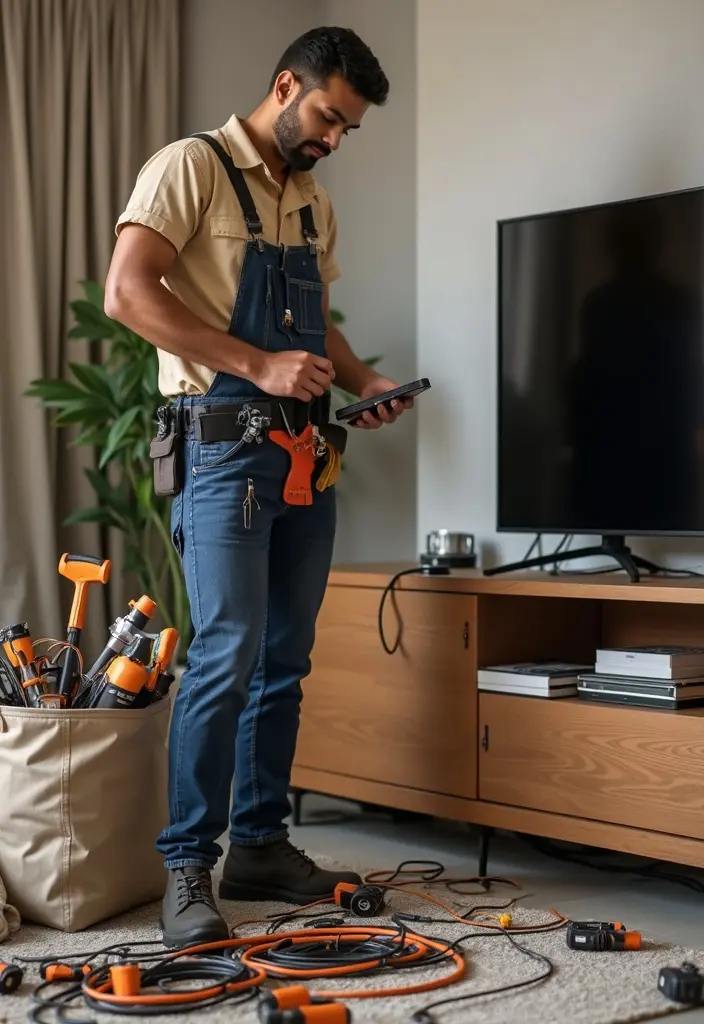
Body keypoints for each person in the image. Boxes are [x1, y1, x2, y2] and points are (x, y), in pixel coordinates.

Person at [104, 26, 413, 946]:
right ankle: (188, 867)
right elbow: (129, 292)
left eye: (349, 129)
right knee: (226, 654)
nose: (334, 139)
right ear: (286, 85)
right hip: (223, 451)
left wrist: (364, 384)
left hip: (305, 458)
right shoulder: (189, 167)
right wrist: (257, 365)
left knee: (285, 660)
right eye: (328, 117)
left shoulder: (313, 201)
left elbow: (317, 330)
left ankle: (262, 848)